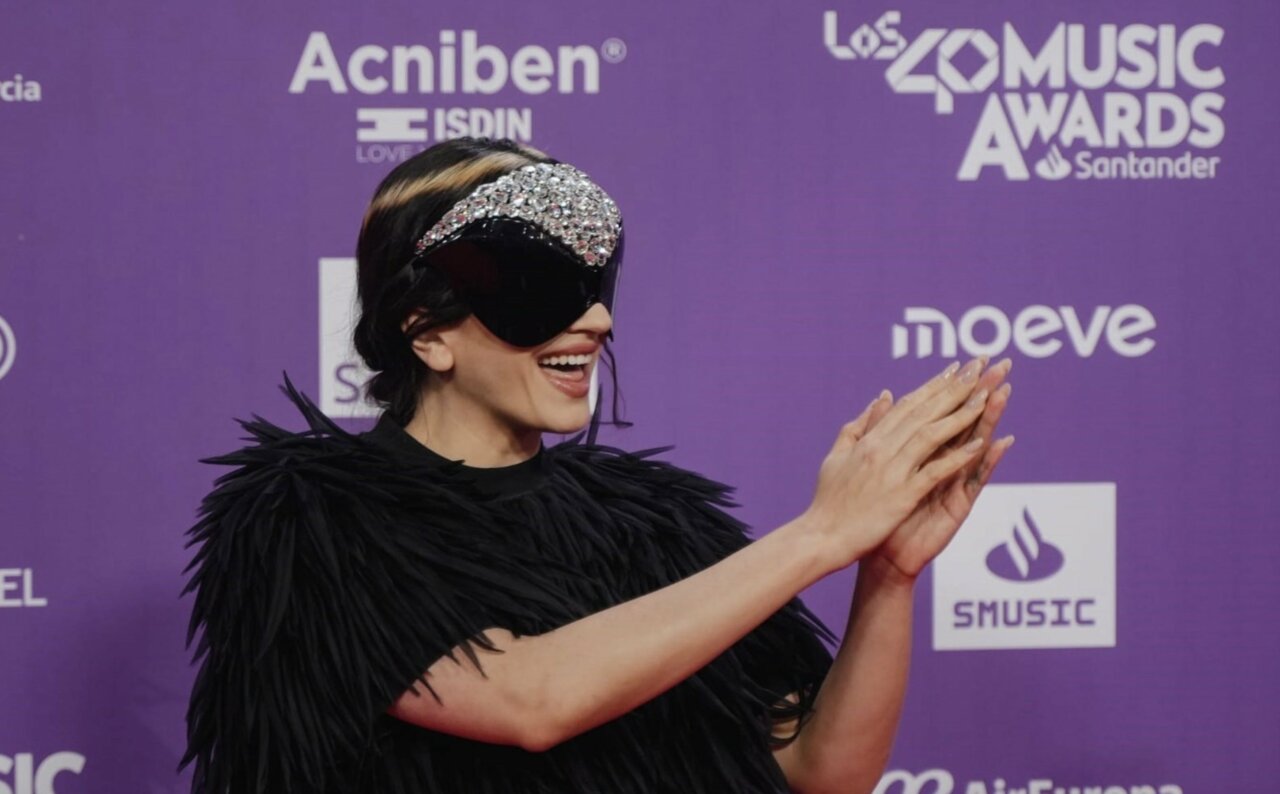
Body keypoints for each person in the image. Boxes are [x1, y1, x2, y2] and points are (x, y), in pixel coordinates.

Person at [178, 137, 1015, 794]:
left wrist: (887, 577)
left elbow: (818, 774)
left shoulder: (656, 525)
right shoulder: (304, 519)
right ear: (426, 331)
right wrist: (820, 535)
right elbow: (527, 700)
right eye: (537, 284)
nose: (597, 318)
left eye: (596, 279)